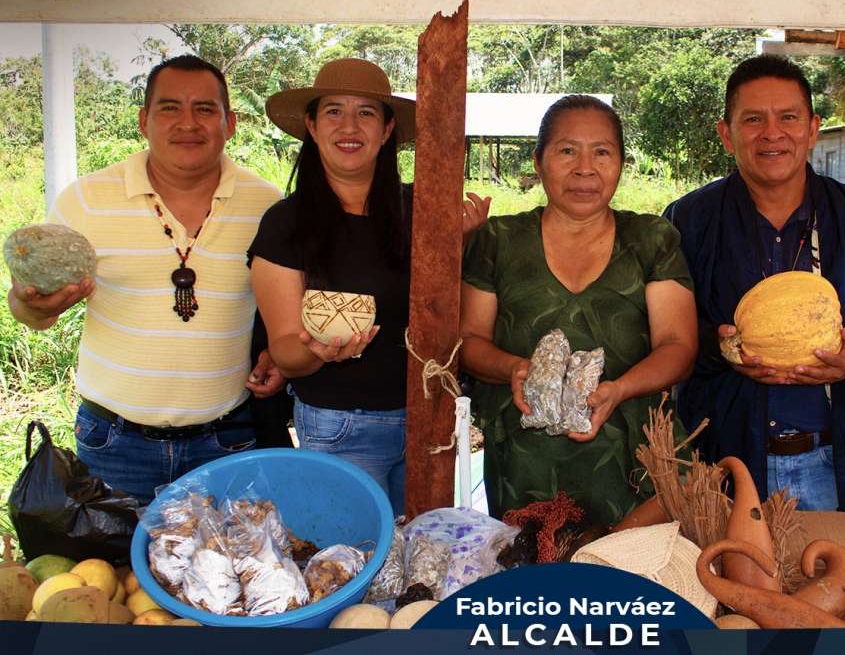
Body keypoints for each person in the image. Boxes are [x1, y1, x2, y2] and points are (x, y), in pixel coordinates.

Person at [7, 55, 285, 501]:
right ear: (144, 120)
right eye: (170, 108)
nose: (187, 123)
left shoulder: (268, 205)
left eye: (205, 109)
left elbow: (282, 302)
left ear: (229, 123)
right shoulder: (85, 200)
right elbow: (29, 311)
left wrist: (278, 350)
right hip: (113, 443)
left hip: (228, 439)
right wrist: (32, 304)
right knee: (110, 571)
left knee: (228, 568)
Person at [664, 55, 845, 512]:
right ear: (726, 133)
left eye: (788, 117)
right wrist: (714, 344)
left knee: (835, 583)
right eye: (753, 119)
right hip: (725, 466)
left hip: (836, 465)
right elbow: (664, 329)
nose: (772, 133)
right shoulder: (689, 222)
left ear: (813, 127)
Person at [249, 58, 489, 517]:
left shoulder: (424, 210)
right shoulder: (286, 224)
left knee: (421, 565)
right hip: (341, 426)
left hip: (427, 422)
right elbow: (284, 351)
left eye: (366, 112)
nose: (349, 126)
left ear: (387, 129)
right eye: (334, 111)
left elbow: (443, 309)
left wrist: (458, 242)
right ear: (312, 126)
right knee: (354, 563)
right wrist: (317, 351)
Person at [460, 95, 698, 526]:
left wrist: (619, 389)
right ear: (538, 161)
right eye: (567, 150)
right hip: (524, 463)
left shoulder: (650, 240)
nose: (584, 168)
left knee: (626, 581)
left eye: (602, 152)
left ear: (621, 163)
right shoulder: (499, 240)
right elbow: (470, 341)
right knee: (532, 580)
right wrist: (514, 368)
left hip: (633, 460)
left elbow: (678, 345)